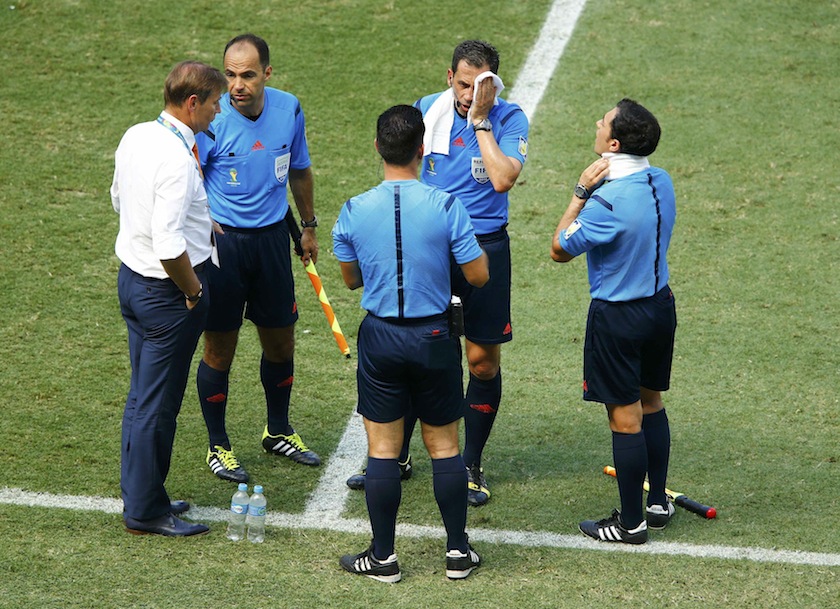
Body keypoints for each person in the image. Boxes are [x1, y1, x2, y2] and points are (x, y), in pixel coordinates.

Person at [346, 40, 529, 507]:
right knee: (419, 346)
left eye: (481, 85)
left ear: (494, 84)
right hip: (432, 248)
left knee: (481, 360)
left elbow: (503, 177)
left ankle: (469, 462)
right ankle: (395, 454)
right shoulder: (426, 111)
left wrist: (481, 123)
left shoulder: (509, 119)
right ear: (449, 77)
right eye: (464, 84)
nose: (470, 94)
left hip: (484, 247)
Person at [333, 105, 489, 582]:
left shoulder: (354, 210)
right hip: (435, 336)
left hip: (381, 337)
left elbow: (351, 280)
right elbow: (478, 275)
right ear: (422, 149)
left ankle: (383, 558)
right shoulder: (446, 206)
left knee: (382, 448)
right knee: (444, 447)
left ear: (378, 147)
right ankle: (458, 553)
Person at [550, 98, 677, 544]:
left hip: (619, 318)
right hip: (660, 307)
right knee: (652, 402)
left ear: (614, 142)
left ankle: (631, 524)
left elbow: (559, 247)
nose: (596, 123)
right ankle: (658, 503)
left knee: (625, 419)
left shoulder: (606, 201)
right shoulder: (662, 181)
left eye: (603, 122)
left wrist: (580, 193)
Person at [194, 33, 320, 483]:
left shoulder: (289, 109)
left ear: (267, 73)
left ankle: (278, 430)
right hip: (223, 249)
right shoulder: (209, 118)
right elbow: (188, 175)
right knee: (219, 348)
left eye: (247, 75)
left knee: (281, 342)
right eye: (229, 74)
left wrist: (308, 225)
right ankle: (218, 445)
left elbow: (300, 168)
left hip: (271, 243)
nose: (236, 85)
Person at [112, 60, 227, 536]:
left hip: (132, 282)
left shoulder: (137, 134)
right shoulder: (179, 160)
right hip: (167, 294)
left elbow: (120, 198)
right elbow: (168, 245)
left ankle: (145, 493)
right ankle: (144, 510)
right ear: (193, 103)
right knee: (157, 405)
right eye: (215, 104)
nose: (218, 114)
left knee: (142, 396)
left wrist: (202, 224)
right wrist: (193, 289)